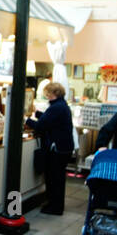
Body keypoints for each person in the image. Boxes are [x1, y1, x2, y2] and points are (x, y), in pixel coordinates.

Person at [25, 81, 76, 215]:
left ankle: (55, 207)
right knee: (58, 178)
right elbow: (50, 120)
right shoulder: (61, 105)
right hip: (65, 148)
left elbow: (41, 126)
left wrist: (25, 120)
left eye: (47, 93)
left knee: (54, 178)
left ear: (53, 94)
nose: (46, 96)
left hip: (58, 149)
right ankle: (56, 205)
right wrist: (38, 114)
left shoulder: (56, 107)